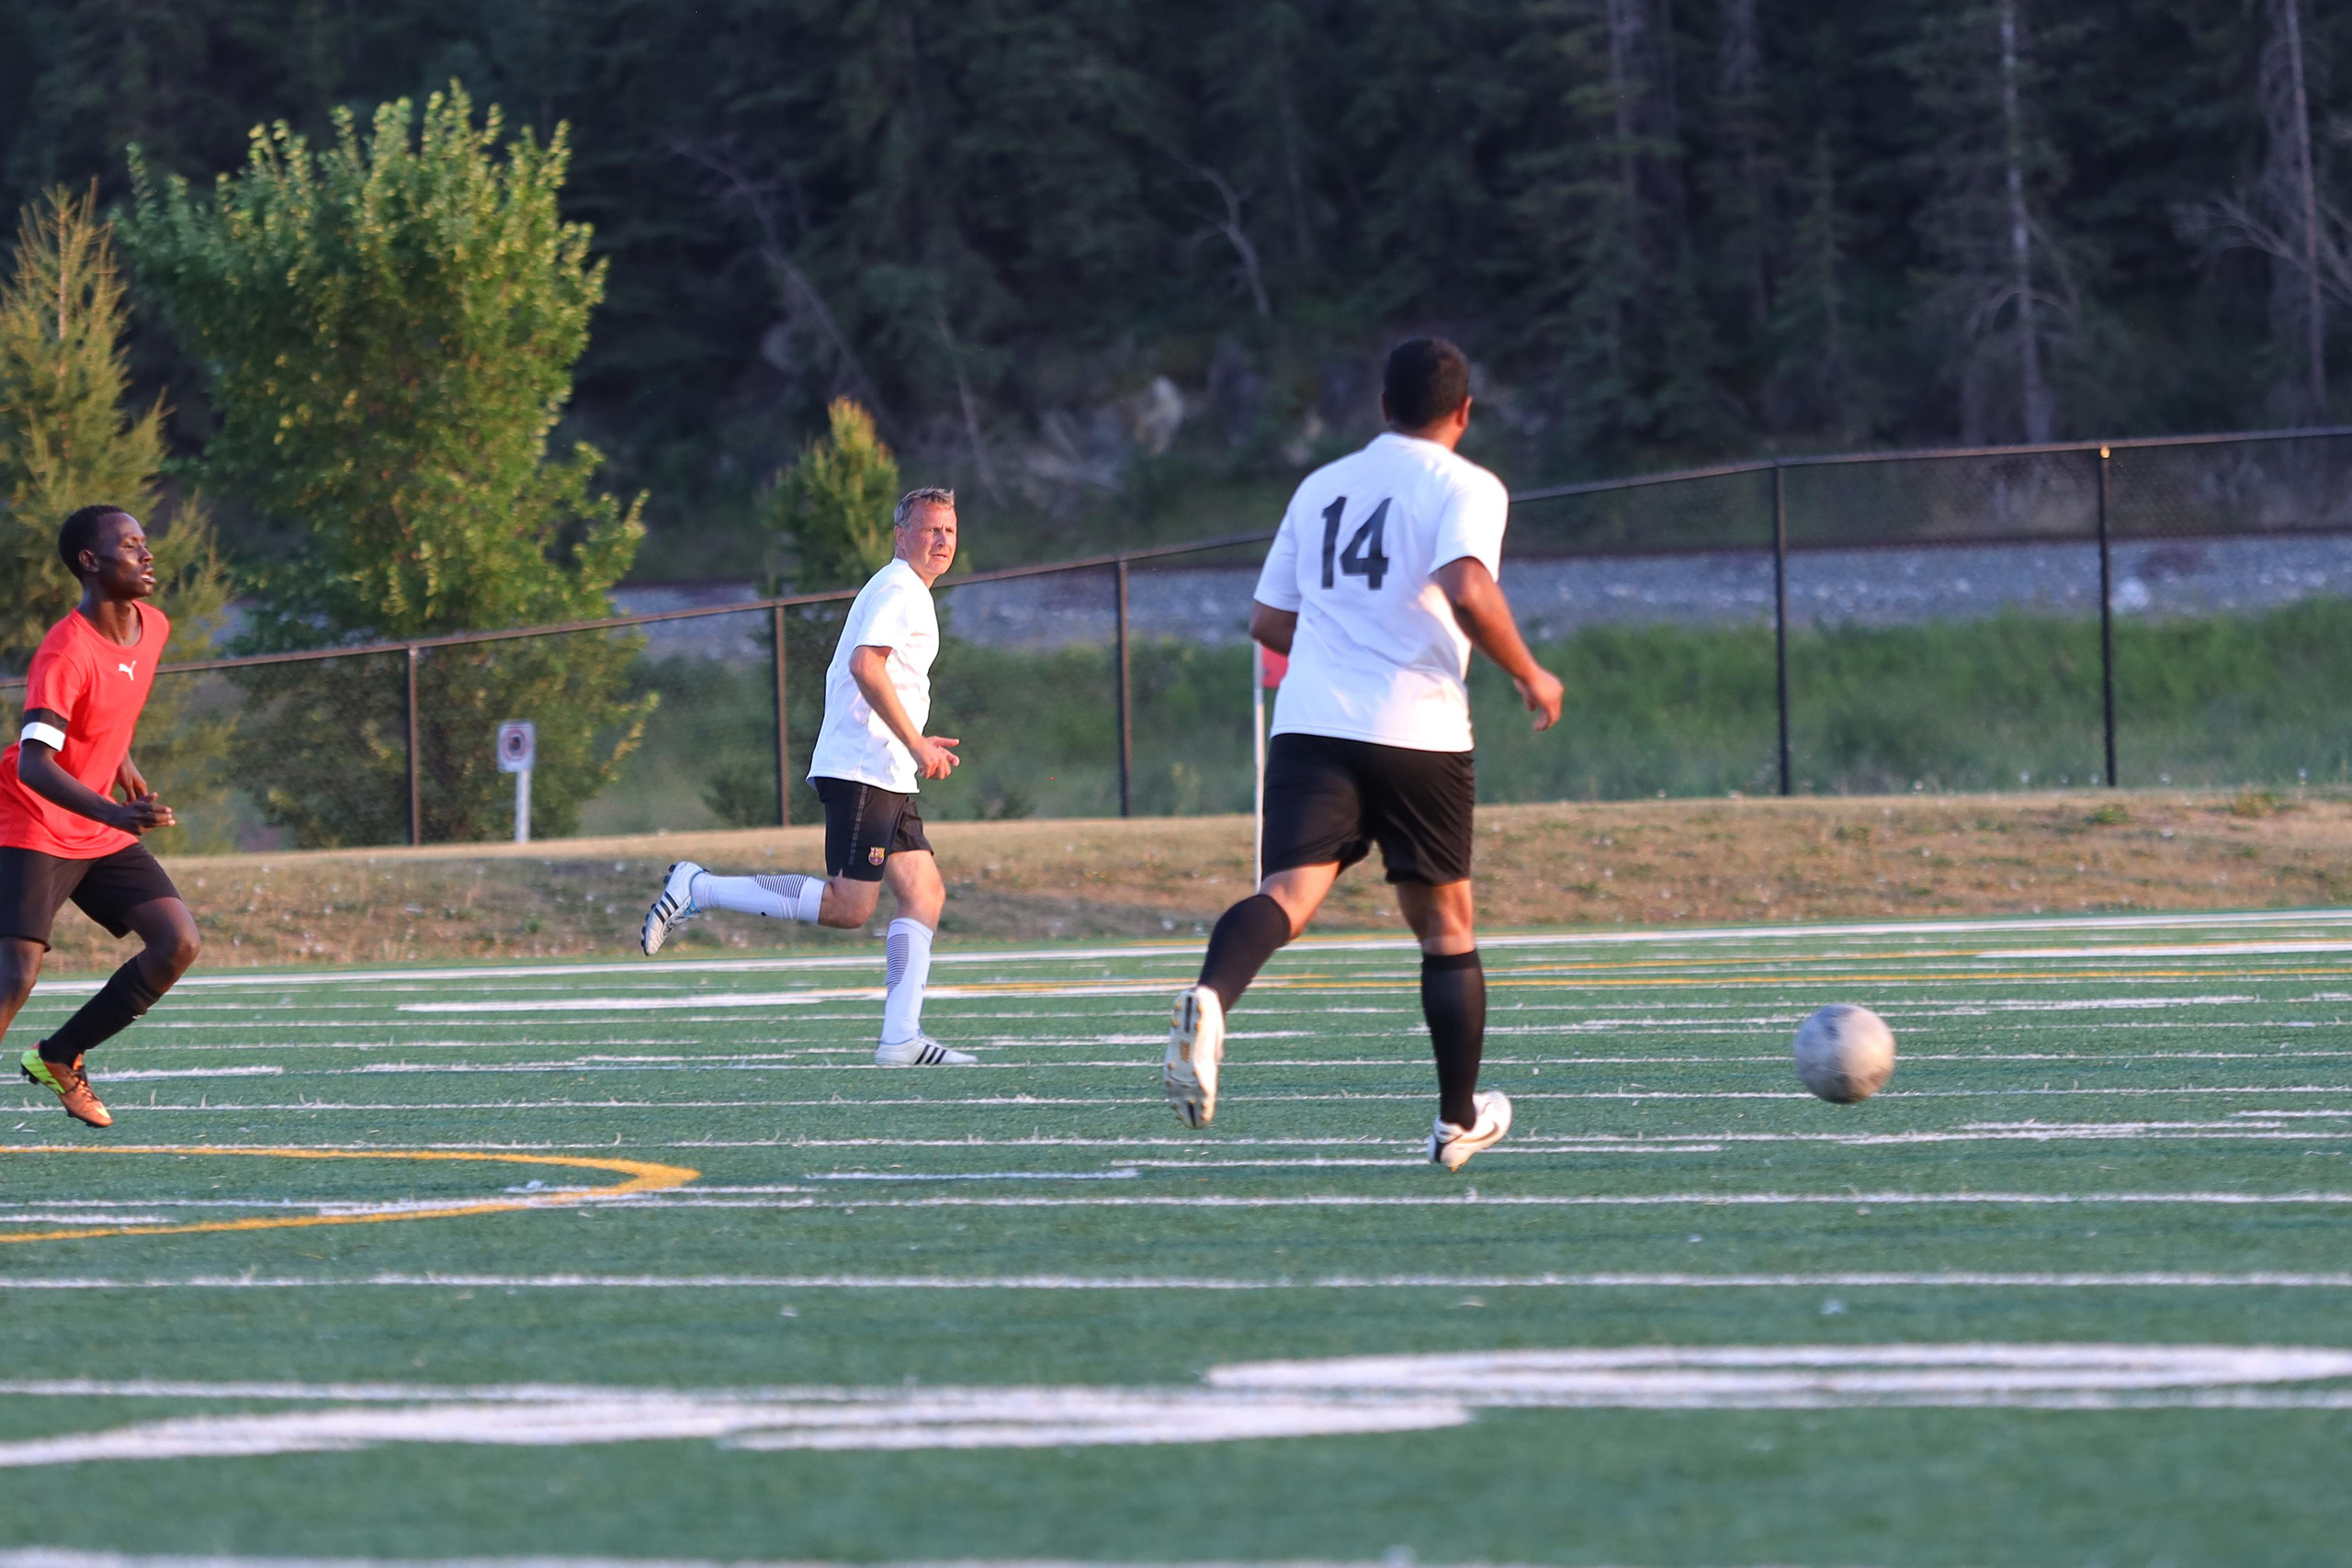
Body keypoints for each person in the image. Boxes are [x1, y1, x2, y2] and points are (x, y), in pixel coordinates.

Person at [1164, 339, 1564, 1170]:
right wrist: (1529, 673)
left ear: (1381, 407)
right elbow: (1466, 586)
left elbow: (1268, 620)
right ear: (1463, 412)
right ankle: (1458, 1122)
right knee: (1446, 926)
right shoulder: (1466, 484)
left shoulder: (1321, 485)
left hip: (1312, 721)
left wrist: (1346, 637)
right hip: (1416, 727)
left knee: (1286, 894)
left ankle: (1212, 996)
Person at [639, 488, 973, 1066]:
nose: (941, 540)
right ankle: (698, 888)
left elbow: (879, 674)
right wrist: (914, 741)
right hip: (865, 767)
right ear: (900, 535)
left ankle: (900, 1039)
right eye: (928, 529)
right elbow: (864, 666)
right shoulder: (900, 589)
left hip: (886, 767)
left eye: (948, 530)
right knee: (850, 906)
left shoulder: (906, 591)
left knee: (924, 893)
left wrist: (914, 740)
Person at [2, 506, 202, 1129]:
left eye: (146, 542)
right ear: (90, 562)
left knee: (177, 942)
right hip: (32, 814)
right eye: (131, 545)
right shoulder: (65, 649)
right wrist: (117, 811)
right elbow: (36, 764)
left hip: (94, 819)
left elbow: (111, 707)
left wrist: (121, 761)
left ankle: (59, 1056)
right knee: (17, 971)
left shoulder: (155, 626)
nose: (147, 555)